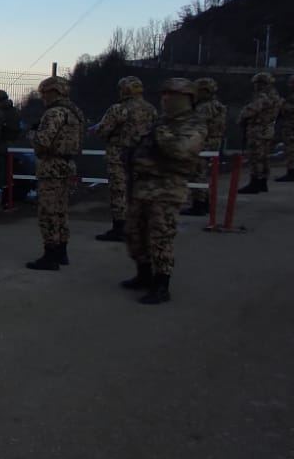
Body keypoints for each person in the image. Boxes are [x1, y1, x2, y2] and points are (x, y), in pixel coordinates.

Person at [121, 80, 207, 305]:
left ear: (187, 97)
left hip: (167, 188)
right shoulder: (160, 122)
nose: (166, 98)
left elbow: (180, 151)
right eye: (165, 93)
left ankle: (161, 284)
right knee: (135, 233)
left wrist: (162, 132)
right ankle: (144, 274)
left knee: (160, 237)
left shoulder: (193, 124)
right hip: (142, 187)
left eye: (173, 94)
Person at [25, 77, 84, 271]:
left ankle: (50, 256)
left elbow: (43, 141)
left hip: (52, 166)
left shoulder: (54, 113)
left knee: (48, 212)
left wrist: (31, 134)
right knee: (61, 210)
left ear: (54, 92)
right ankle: (62, 252)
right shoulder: (75, 112)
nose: (42, 97)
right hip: (68, 164)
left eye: (45, 93)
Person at [91, 76, 158, 242]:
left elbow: (103, 130)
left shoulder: (119, 109)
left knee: (119, 191)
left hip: (120, 155)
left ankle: (120, 228)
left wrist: (96, 130)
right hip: (143, 156)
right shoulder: (151, 109)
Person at [183, 78, 228, 216]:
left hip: (204, 141)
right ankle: (204, 203)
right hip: (213, 141)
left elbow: (196, 124)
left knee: (197, 173)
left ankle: (199, 204)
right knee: (202, 172)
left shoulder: (204, 107)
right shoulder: (217, 105)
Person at [237, 73, 283, 194]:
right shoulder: (275, 95)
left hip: (257, 130)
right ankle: (262, 182)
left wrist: (241, 118)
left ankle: (254, 183)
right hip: (268, 129)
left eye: (257, 83)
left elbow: (251, 110)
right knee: (264, 157)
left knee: (255, 157)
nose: (255, 86)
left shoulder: (263, 96)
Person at [0, 89, 23, 204]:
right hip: (15, 147)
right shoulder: (16, 111)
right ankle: (11, 198)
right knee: (11, 174)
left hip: (1, 148)